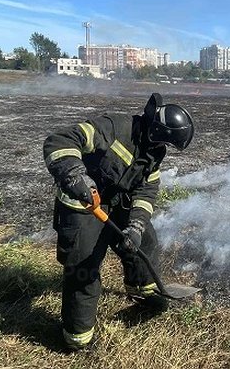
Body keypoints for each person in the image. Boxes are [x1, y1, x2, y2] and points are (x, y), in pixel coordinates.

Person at [42, 93, 194, 351]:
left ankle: (143, 291)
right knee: (84, 269)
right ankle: (77, 338)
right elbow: (59, 141)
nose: (164, 148)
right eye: (164, 142)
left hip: (116, 203)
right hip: (82, 205)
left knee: (145, 241)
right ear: (156, 129)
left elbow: (146, 190)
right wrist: (76, 176)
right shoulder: (113, 127)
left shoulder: (155, 150)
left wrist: (135, 226)